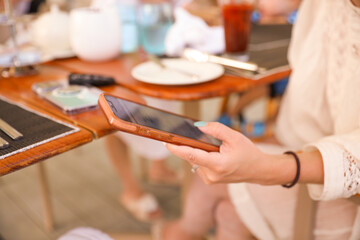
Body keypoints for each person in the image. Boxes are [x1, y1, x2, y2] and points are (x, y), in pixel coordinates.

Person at [159, 0, 360, 239]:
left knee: (215, 183)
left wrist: (264, 167)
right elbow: (273, 5)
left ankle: (178, 233)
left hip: (344, 198)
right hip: (295, 149)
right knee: (228, 213)